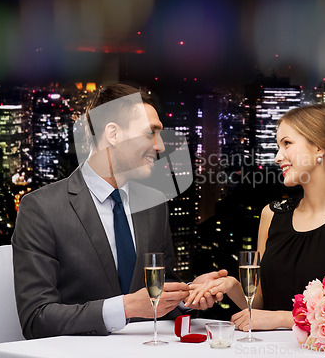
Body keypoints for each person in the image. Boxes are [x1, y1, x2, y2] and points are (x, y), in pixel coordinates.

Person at [12, 83, 226, 339]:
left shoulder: (155, 203)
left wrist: (187, 296)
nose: (159, 146)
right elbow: (36, 319)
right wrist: (126, 307)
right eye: (150, 133)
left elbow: (159, 292)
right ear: (113, 134)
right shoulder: (42, 209)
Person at [185, 104, 325, 331]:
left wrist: (281, 319)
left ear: (320, 146)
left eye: (287, 143)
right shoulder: (271, 214)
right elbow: (258, 303)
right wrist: (231, 286)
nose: (278, 157)